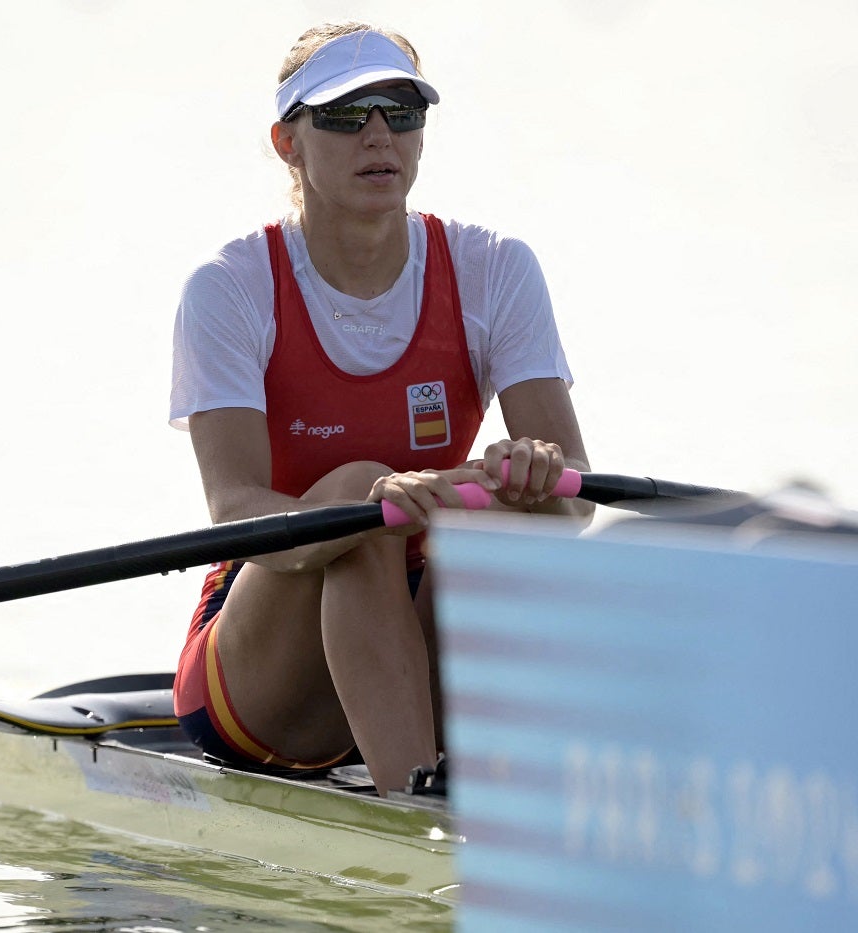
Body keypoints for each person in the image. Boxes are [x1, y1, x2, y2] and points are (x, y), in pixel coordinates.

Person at [168, 21, 593, 796]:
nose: (378, 135)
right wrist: (374, 501)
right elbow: (232, 511)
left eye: (400, 111)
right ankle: (419, 806)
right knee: (367, 498)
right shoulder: (229, 288)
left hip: (408, 623)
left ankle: (472, 777)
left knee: (509, 505)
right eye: (342, 113)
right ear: (286, 141)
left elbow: (580, 499)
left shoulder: (496, 269)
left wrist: (534, 476)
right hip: (261, 685)